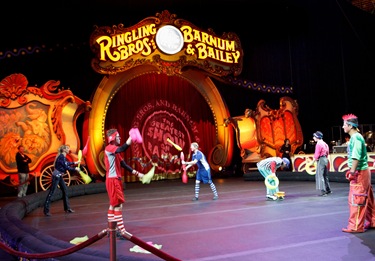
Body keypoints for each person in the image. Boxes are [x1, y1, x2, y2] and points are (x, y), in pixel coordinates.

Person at [104, 128, 144, 239]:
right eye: (118, 136)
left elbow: (124, 165)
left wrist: (137, 173)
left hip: (113, 179)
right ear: (113, 138)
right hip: (113, 180)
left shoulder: (114, 151)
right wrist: (131, 137)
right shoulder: (110, 148)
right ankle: (122, 231)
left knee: (113, 204)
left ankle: (111, 229)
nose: (120, 138)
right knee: (118, 205)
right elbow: (122, 148)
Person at [341, 114, 375, 233]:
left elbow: (355, 156)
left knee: (357, 198)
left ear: (350, 126)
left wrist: (352, 171)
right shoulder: (357, 137)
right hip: (363, 171)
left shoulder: (355, 138)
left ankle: (355, 226)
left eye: (344, 124)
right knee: (367, 198)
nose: (343, 127)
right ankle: (373, 220)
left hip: (360, 173)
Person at [43, 145, 78, 216]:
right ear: (64, 150)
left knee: (65, 190)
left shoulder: (62, 157)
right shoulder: (61, 157)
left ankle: (67, 208)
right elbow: (66, 166)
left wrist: (75, 163)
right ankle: (46, 210)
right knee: (52, 192)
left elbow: (66, 163)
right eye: (68, 149)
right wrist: (75, 169)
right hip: (56, 176)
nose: (69, 150)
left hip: (59, 176)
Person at [311, 131, 331, 196]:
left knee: (320, 175)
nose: (313, 138)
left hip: (321, 159)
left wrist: (313, 161)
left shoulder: (318, 144)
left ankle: (323, 191)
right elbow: (327, 152)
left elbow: (317, 154)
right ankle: (328, 189)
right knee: (325, 175)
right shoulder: (325, 143)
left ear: (317, 137)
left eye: (314, 136)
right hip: (325, 159)